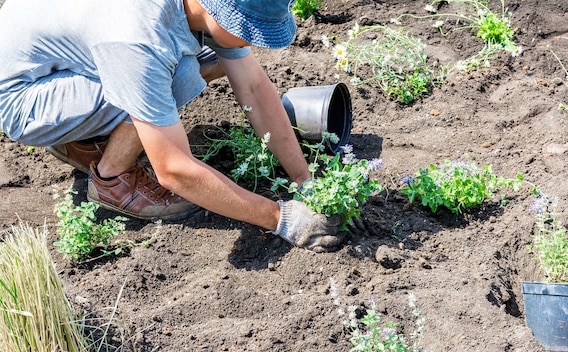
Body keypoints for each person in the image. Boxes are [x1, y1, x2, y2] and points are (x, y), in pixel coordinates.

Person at [0, 0, 343, 252]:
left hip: (62, 59)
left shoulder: (203, 9)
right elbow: (174, 171)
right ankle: (111, 179)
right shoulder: (138, 36)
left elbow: (252, 86)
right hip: (24, 97)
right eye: (247, 30)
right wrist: (281, 219)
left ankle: (85, 140)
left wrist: (304, 180)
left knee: (192, 63)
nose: (251, 41)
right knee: (177, 75)